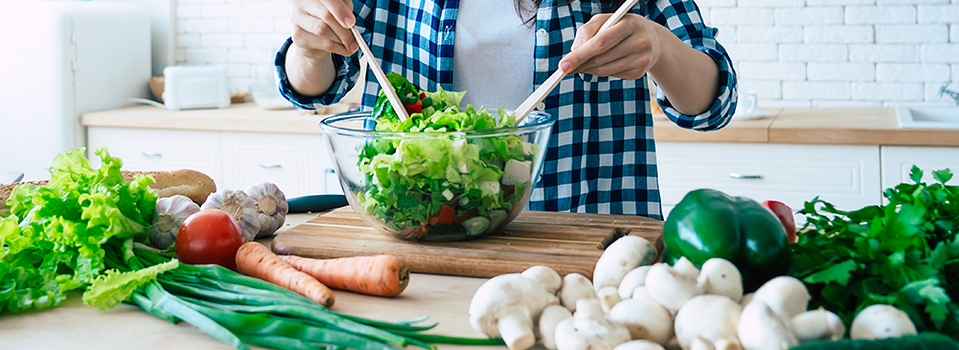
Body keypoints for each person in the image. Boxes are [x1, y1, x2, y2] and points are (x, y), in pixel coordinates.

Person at [277, 0, 737, 220]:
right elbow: (311, 90)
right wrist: (311, 50)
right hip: (422, 229)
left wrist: (661, 48)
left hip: (590, 231)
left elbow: (711, 105)